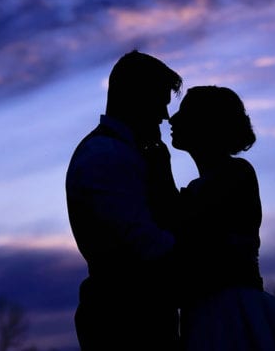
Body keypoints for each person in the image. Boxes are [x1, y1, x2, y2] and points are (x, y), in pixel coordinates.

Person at [170, 85, 275, 351]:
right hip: (207, 313)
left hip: (230, 315)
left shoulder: (236, 175)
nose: (172, 118)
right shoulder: (203, 186)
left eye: (185, 112)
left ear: (207, 124)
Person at [65, 50, 184, 350]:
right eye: (159, 102)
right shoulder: (106, 157)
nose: (164, 116)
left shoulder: (125, 154)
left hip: (137, 318)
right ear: (136, 98)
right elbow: (144, 245)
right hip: (124, 324)